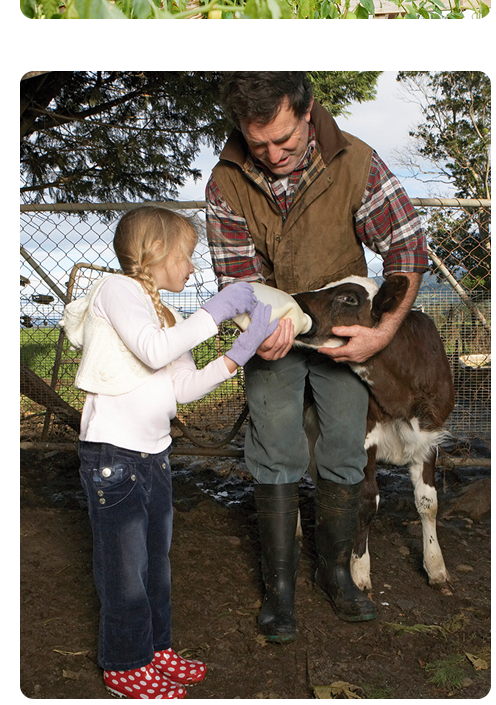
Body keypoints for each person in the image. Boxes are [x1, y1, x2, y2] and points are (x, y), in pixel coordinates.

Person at [205, 71, 428, 642]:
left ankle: (336, 573)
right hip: (275, 331)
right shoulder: (226, 182)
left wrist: (379, 334)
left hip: (344, 334)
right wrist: (258, 327)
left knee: (345, 447)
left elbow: (405, 248)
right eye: (259, 145)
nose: (273, 154)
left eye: (283, 139)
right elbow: (236, 278)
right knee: (274, 449)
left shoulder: (356, 160)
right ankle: (279, 592)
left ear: (306, 113)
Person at [60, 205, 277, 701]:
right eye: (187, 256)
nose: (193, 267)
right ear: (156, 252)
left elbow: (182, 385)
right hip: (113, 457)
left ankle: (155, 651)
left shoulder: (167, 315)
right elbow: (153, 351)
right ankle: (123, 664)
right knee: (124, 571)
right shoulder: (118, 291)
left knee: (155, 565)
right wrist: (216, 311)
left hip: (154, 457)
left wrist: (239, 352)